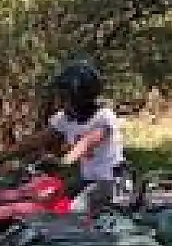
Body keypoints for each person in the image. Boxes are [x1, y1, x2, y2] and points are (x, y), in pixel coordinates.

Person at [7, 60, 126, 213]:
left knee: (73, 215)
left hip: (111, 183)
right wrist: (2, 157)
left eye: (65, 94)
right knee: (47, 202)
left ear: (79, 95)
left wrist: (64, 161)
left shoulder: (104, 116)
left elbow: (87, 142)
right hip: (87, 181)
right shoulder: (65, 119)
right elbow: (37, 140)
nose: (61, 99)